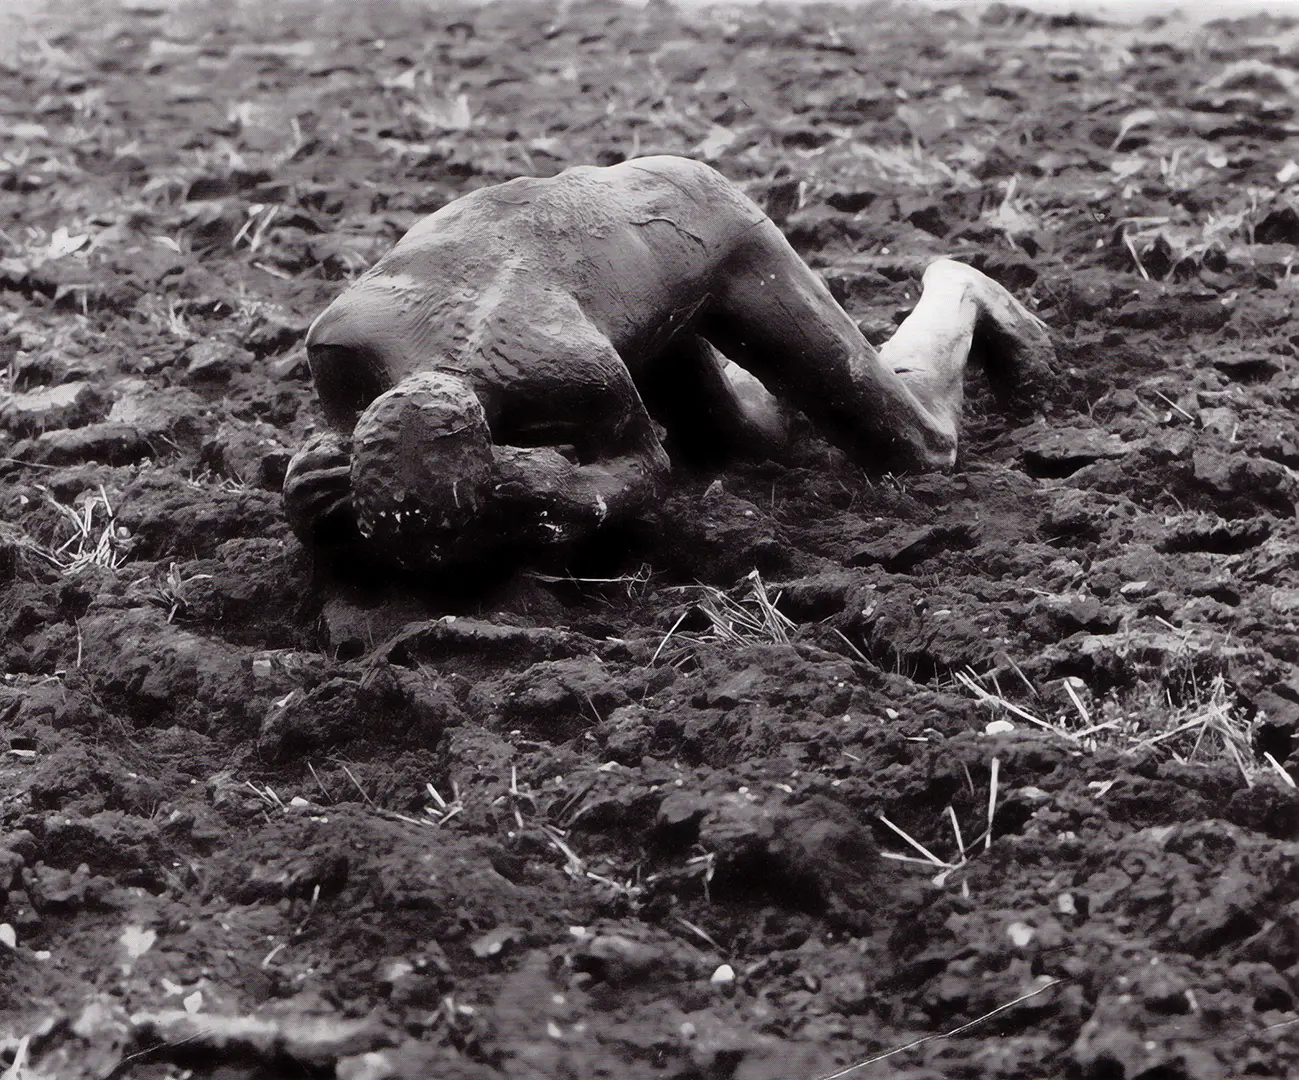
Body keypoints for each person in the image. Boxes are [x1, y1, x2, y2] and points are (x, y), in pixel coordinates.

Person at [283, 155, 1056, 572]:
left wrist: (578, 493)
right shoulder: (342, 347)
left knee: (914, 454)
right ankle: (773, 390)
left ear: (497, 449)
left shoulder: (558, 365)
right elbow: (363, 481)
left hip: (691, 229)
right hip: (589, 281)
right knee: (743, 444)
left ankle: (956, 293)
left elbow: (644, 468)